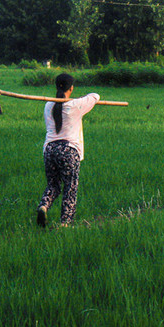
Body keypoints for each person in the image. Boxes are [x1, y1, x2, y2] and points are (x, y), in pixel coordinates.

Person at [37, 73, 100, 227]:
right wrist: (77, 100)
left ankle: (43, 206)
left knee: (53, 185)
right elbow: (95, 96)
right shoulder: (75, 105)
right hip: (68, 150)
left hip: (50, 150)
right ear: (71, 88)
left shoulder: (48, 105)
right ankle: (65, 223)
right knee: (70, 187)